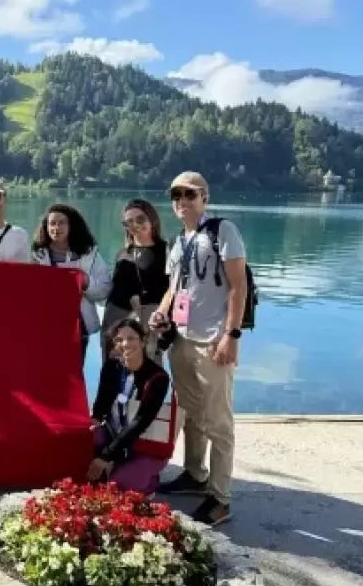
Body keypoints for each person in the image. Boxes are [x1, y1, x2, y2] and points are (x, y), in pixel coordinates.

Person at [151, 171, 248, 527]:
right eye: (176, 194)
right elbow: (174, 288)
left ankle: (220, 498)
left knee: (219, 421)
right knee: (191, 412)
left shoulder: (223, 231)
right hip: (181, 338)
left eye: (189, 194)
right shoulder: (179, 241)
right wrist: (162, 312)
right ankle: (195, 474)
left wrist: (231, 336)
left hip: (212, 340)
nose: (182, 200)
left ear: (204, 197)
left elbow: (238, 287)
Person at [89, 319, 171, 495]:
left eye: (131, 338)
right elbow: (101, 402)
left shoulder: (158, 377)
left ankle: (149, 480)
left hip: (144, 444)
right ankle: (116, 465)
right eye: (119, 340)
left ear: (143, 341)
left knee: (117, 487)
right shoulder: (112, 367)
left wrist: (105, 455)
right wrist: (94, 422)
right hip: (115, 437)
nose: (125, 344)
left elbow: (141, 422)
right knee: (87, 438)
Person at [31, 203, 112, 363]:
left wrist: (86, 282)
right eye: (52, 223)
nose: (56, 227)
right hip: (47, 324)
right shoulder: (38, 255)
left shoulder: (89, 254)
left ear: (72, 225)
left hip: (79, 324)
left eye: (62, 222)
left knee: (74, 371)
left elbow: (104, 290)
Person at [101, 199, 169, 364]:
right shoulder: (123, 253)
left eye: (140, 219)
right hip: (115, 320)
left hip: (148, 320)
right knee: (113, 372)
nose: (135, 225)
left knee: (149, 369)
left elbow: (171, 288)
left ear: (152, 219)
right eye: (128, 222)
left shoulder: (166, 251)